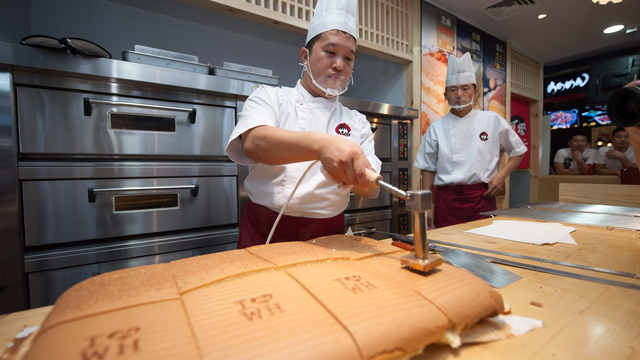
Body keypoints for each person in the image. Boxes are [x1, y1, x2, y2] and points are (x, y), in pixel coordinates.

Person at [225, 0, 381, 249]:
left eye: (348, 58)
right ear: (305, 56)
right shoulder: (270, 97)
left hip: (329, 235)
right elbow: (254, 144)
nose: (339, 65)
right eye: (330, 52)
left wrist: (360, 178)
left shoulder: (357, 121)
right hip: (264, 231)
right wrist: (322, 145)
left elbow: (368, 189)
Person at [414, 53, 527, 229]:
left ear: (475, 92)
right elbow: (427, 169)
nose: (459, 94)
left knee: (484, 248)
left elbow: (518, 151)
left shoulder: (492, 120)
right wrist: (426, 206)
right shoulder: (435, 128)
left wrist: (501, 175)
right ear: (445, 95)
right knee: (446, 250)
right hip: (447, 202)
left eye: (465, 88)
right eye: (453, 89)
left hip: (481, 199)